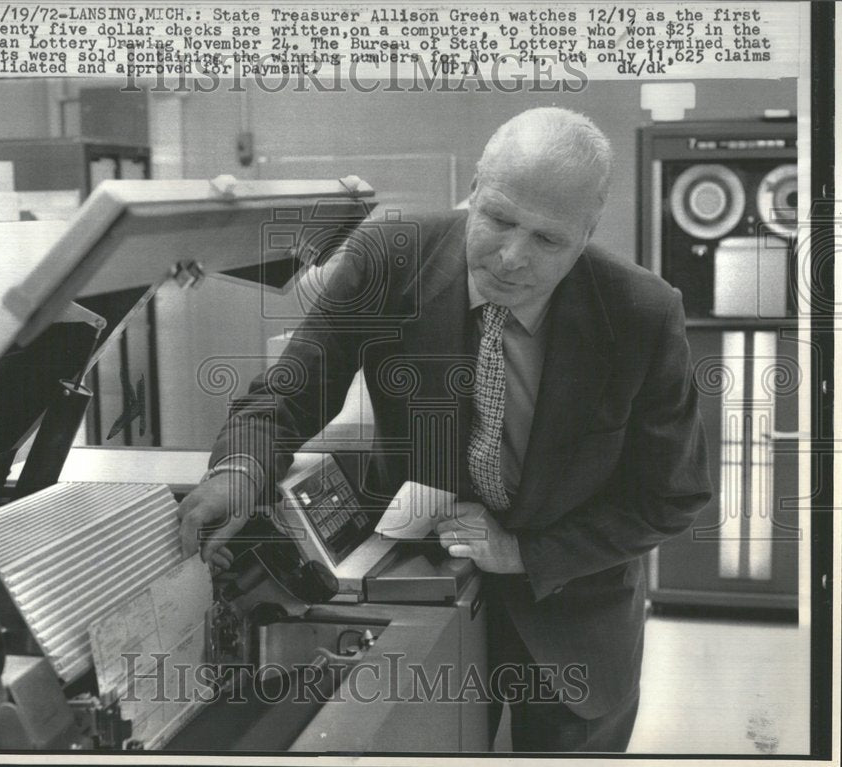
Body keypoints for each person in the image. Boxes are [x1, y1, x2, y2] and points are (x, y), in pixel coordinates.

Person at [176, 107, 712, 752]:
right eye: (500, 219)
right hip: (417, 589)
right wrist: (241, 471)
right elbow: (285, 397)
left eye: (548, 240)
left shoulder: (641, 314)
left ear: (588, 232)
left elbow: (671, 497)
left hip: (572, 615)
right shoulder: (388, 259)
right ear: (475, 190)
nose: (513, 257)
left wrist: (523, 553)